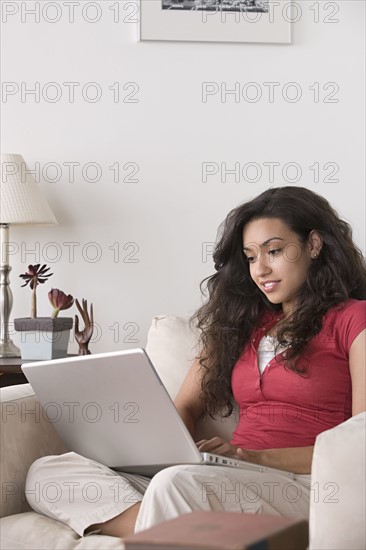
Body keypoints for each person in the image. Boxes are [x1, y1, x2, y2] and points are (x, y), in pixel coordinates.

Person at [25, 186, 366, 539]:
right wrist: (166, 453)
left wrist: (251, 457)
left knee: (177, 484)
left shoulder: (354, 319)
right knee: (49, 473)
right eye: (250, 257)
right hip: (222, 478)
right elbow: (184, 407)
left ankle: (184, 526)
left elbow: (358, 446)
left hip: (303, 485)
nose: (260, 269)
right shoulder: (241, 326)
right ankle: (186, 529)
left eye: (274, 251)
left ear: (313, 245)